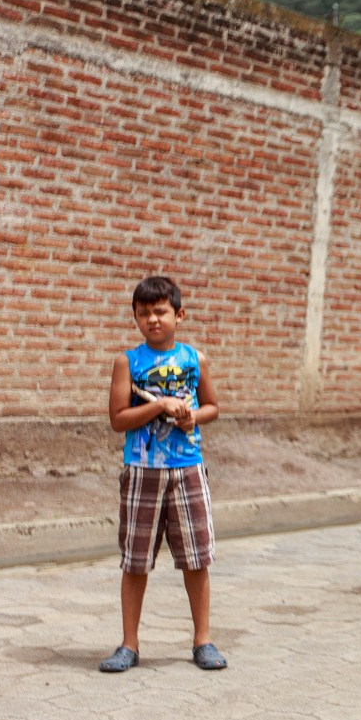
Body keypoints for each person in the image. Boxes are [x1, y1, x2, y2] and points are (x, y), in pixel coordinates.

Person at [99, 276, 226, 673]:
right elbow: (118, 420)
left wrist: (191, 417)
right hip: (142, 471)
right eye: (144, 313)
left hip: (187, 468)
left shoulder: (195, 359)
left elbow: (213, 408)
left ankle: (202, 640)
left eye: (161, 312)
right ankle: (129, 645)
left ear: (179, 314)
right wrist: (159, 406)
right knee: (135, 561)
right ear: (135, 317)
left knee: (196, 558)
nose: (153, 319)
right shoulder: (128, 362)